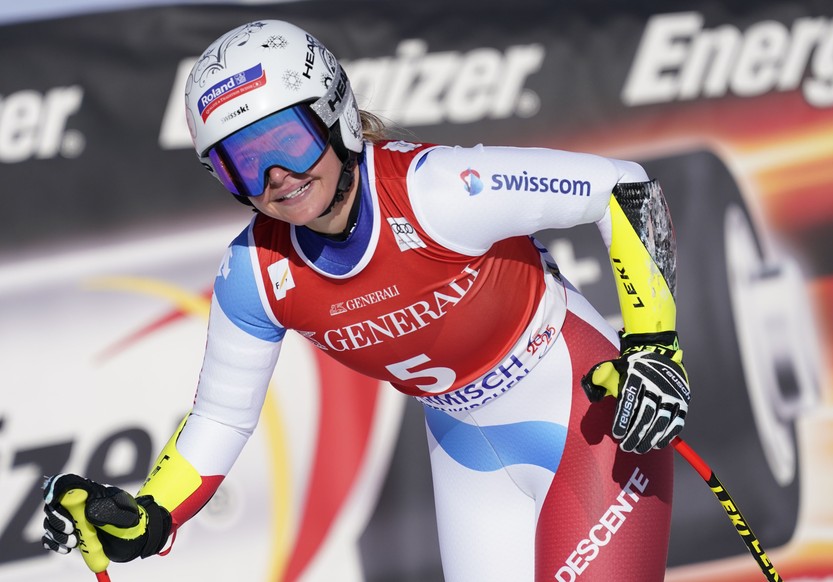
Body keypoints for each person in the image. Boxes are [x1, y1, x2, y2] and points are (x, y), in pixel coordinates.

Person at [42, 19, 691, 581]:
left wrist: (654, 348)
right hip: (467, 451)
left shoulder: (435, 193)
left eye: (287, 143)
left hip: (585, 414)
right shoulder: (255, 274)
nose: (277, 179)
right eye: (244, 162)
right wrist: (150, 513)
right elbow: (220, 421)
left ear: (336, 116)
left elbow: (622, 191)